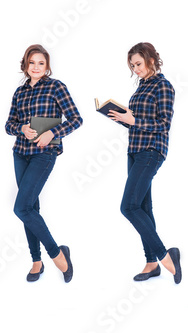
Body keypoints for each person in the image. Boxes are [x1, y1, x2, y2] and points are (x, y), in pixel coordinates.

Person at [5, 44, 82, 283]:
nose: (36, 67)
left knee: (21, 208)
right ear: (25, 66)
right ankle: (36, 262)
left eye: (41, 63)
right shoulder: (19, 92)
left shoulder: (56, 87)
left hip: (44, 153)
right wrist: (22, 128)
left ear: (47, 66)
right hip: (20, 153)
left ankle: (57, 254)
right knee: (30, 209)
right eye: (32, 63)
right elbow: (8, 125)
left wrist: (52, 133)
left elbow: (77, 119)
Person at [108, 42, 181, 284]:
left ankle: (165, 255)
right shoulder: (141, 87)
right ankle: (151, 263)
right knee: (143, 208)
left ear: (150, 60)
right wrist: (122, 117)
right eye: (132, 66)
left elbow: (163, 124)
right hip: (135, 151)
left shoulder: (163, 86)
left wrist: (134, 119)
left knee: (128, 207)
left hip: (152, 151)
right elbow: (136, 120)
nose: (135, 69)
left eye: (138, 64)